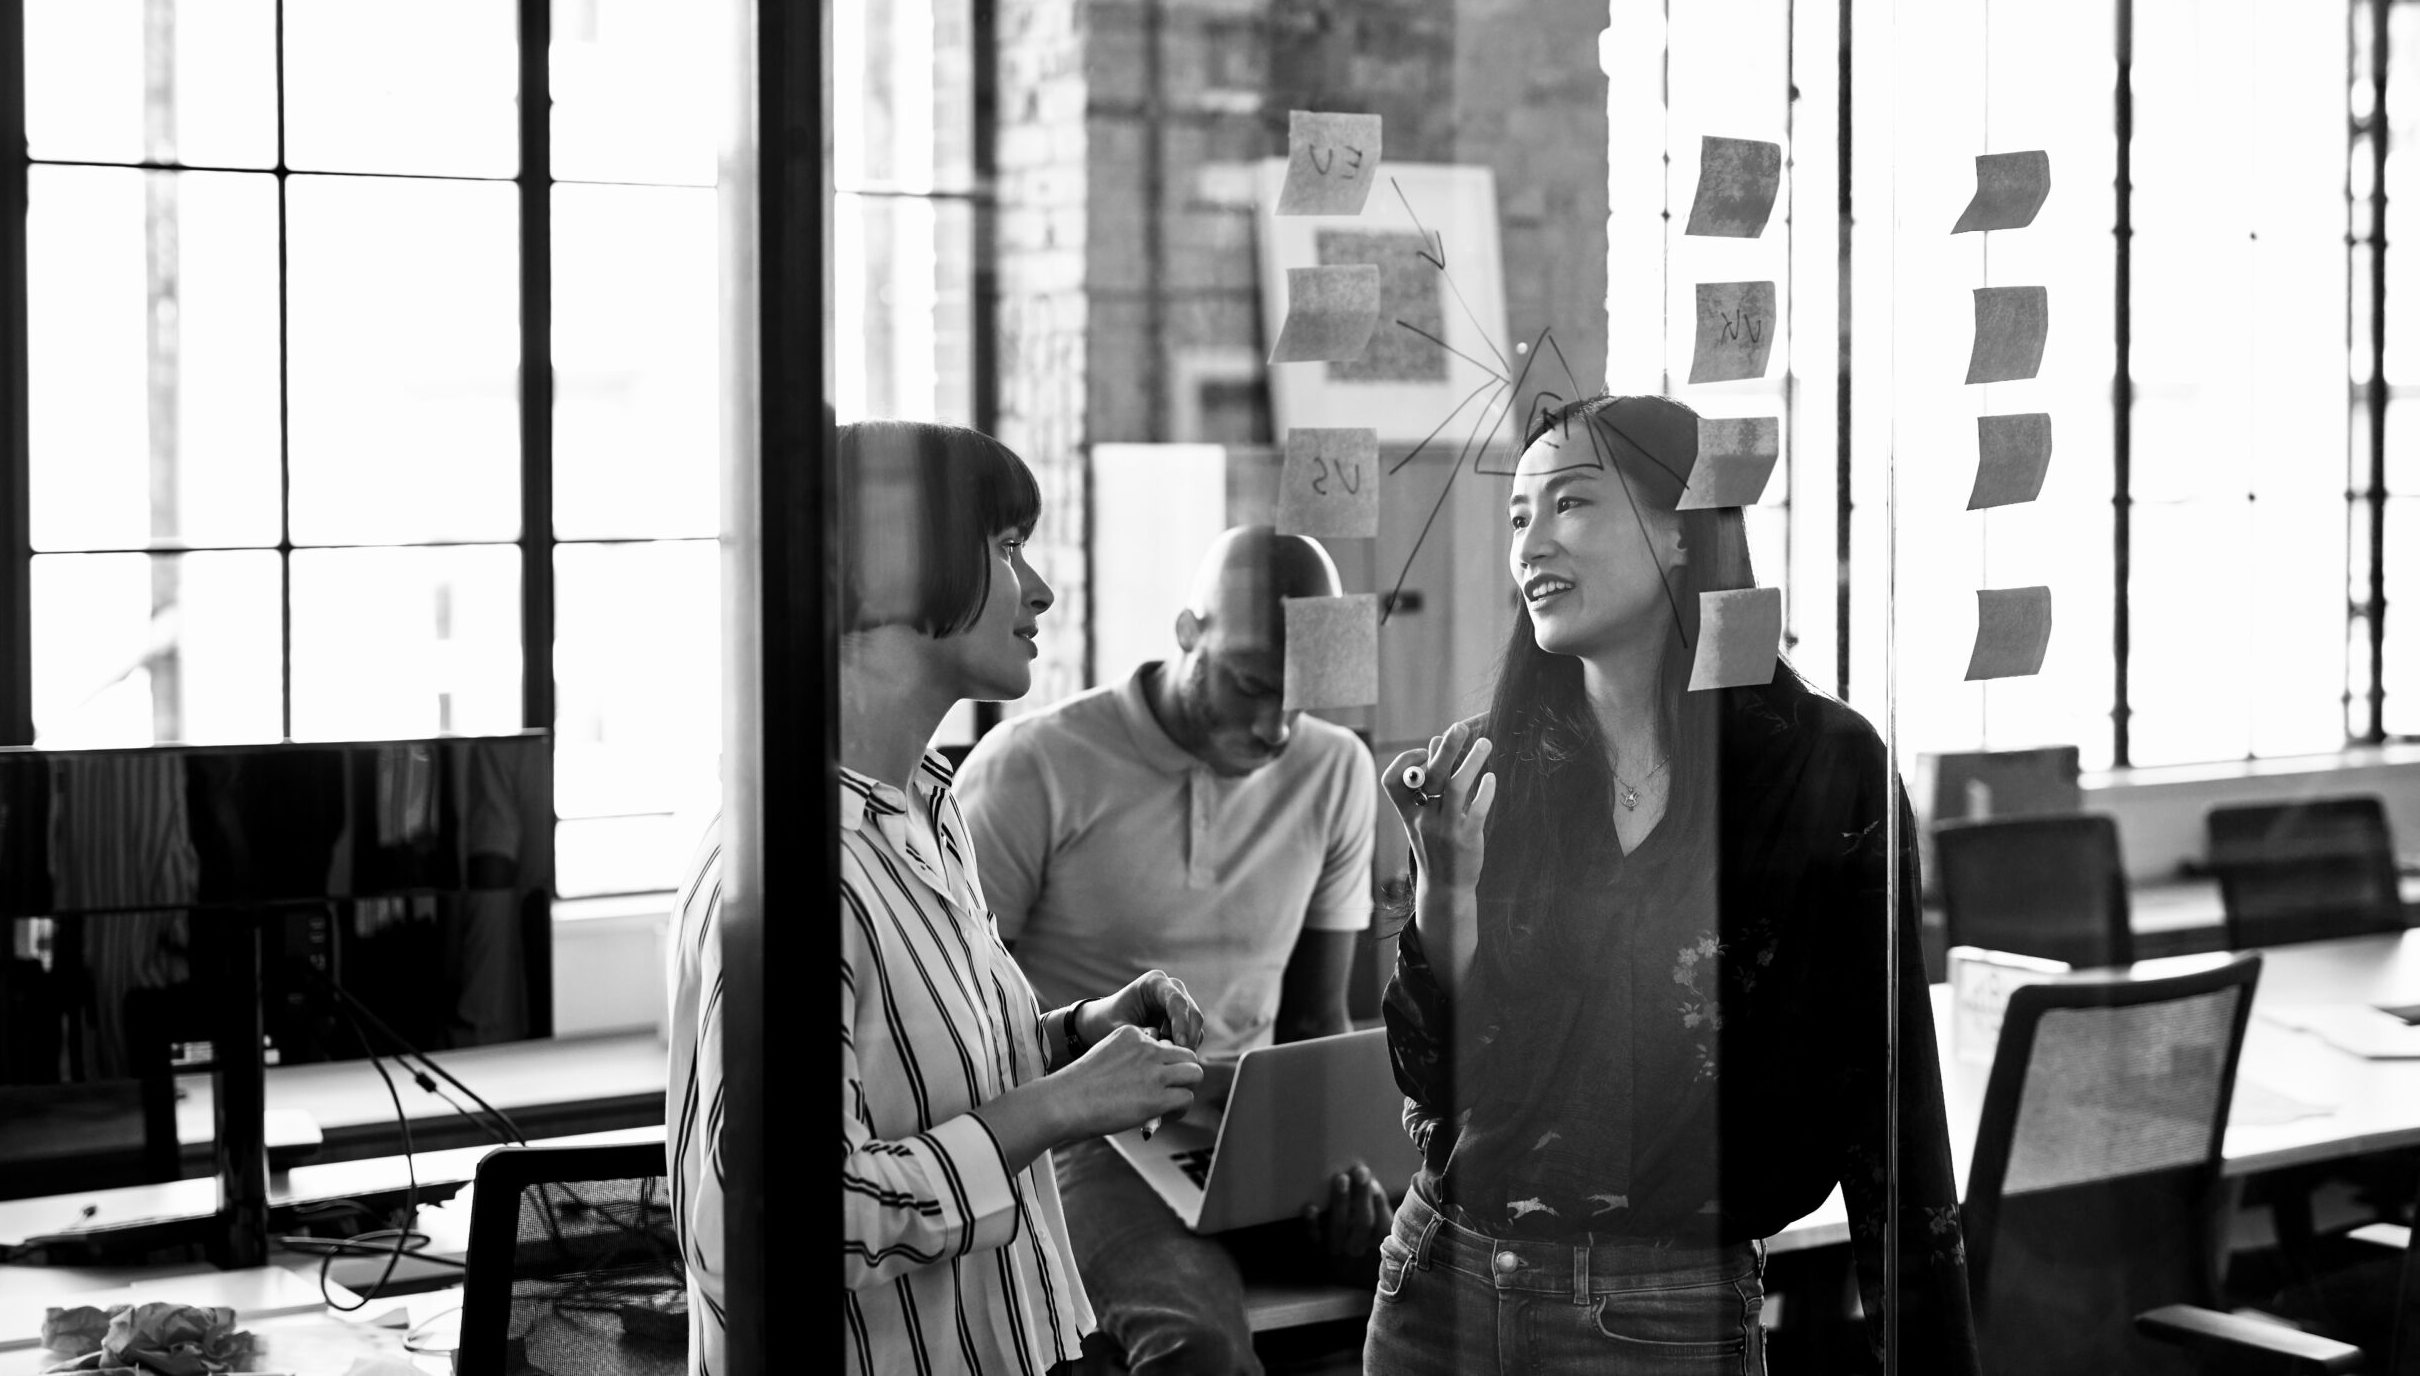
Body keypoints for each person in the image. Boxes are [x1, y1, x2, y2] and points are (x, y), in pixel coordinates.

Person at [1367, 395, 1977, 1374]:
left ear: (1681, 535)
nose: (1531, 542)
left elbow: (1888, 1100)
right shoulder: (1492, 765)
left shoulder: (1819, 767)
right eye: (1518, 514)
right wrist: (1443, 896)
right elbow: (1432, 1079)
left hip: (1662, 1310)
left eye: (1570, 504)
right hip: (1440, 1283)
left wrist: (1926, 1352)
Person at [667, 420, 1214, 1376]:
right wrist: (1056, 1107)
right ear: (887, 579)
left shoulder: (925, 808)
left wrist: (1072, 1034)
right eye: (1006, 550)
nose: (1038, 588)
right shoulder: (790, 873)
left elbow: (910, 1078)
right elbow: (759, 1230)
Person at [957, 525, 1390, 1376]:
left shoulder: (1336, 769)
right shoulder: (1035, 767)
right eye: (1251, 684)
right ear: (1188, 632)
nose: (1275, 725)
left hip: (1257, 1125)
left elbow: (1314, 1016)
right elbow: (958, 1020)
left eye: (1301, 699)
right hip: (1090, 1133)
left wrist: (1342, 1158)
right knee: (1198, 1346)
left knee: (1459, 1278)